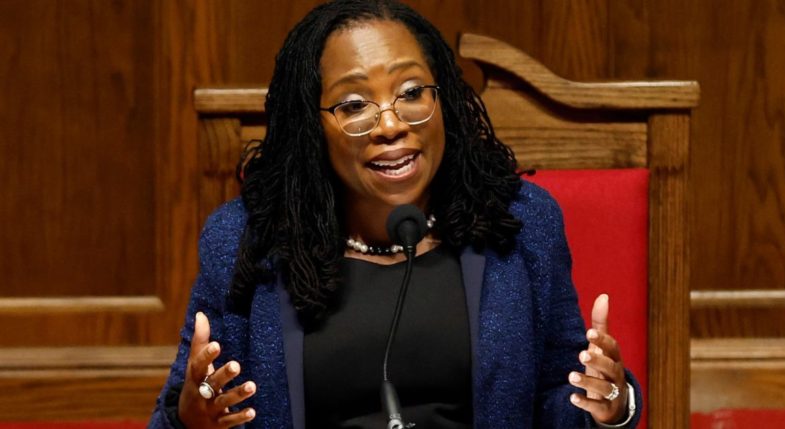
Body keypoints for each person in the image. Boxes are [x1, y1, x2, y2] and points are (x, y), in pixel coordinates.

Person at [149, 0, 642, 427]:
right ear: (311, 125)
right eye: (354, 103)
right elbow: (184, 408)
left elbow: (564, 400)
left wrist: (610, 404)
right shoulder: (246, 241)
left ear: (442, 97)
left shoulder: (521, 223)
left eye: (410, 93)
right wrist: (191, 419)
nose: (390, 124)